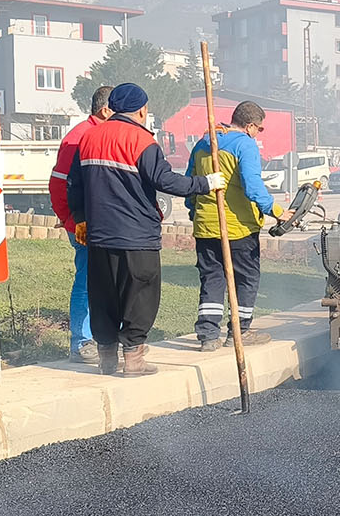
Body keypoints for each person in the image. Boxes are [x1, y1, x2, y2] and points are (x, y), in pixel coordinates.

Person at [65, 82, 224, 377]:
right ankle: (134, 359)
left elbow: (73, 184)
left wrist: (80, 218)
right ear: (141, 110)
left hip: (100, 235)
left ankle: (107, 360)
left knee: (104, 296)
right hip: (137, 235)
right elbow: (166, 181)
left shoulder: (89, 138)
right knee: (140, 294)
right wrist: (206, 183)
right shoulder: (142, 141)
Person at [186, 100, 284, 352]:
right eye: (259, 129)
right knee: (247, 278)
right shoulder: (245, 145)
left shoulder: (203, 143)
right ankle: (239, 331)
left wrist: (193, 211)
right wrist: (277, 211)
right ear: (250, 125)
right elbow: (253, 188)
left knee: (212, 278)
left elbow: (190, 185)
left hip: (206, 227)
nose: (258, 134)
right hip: (238, 228)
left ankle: (208, 335)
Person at [50, 85, 114, 363]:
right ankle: (82, 342)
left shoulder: (101, 134)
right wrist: (70, 220)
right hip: (84, 223)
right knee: (87, 280)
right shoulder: (79, 137)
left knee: (108, 280)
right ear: (105, 110)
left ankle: (107, 340)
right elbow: (59, 183)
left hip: (106, 222)